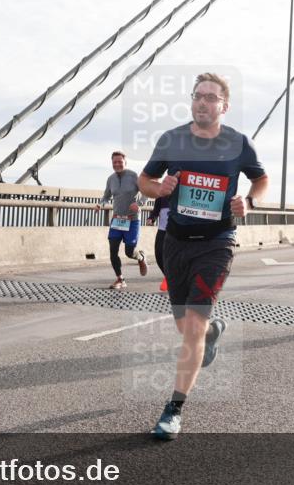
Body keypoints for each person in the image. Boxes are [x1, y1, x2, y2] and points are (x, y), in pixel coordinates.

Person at [138, 72, 268, 440]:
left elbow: (261, 179)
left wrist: (251, 200)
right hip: (174, 242)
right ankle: (213, 332)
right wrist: (156, 187)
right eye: (198, 96)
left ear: (224, 106)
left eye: (211, 97)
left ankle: (173, 410)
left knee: (191, 327)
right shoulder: (172, 139)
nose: (203, 102)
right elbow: (144, 181)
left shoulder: (239, 144)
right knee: (186, 326)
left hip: (217, 242)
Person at [100, 151, 147, 289]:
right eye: (114, 162)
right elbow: (106, 196)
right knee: (113, 250)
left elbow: (145, 192)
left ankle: (141, 257)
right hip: (117, 220)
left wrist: (139, 204)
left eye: (120, 161)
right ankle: (120, 279)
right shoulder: (111, 179)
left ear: (125, 162)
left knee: (129, 251)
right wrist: (100, 204)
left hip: (132, 220)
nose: (117, 164)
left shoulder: (133, 176)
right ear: (112, 163)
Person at [148, 195, 170, 292]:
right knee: (159, 254)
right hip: (162, 229)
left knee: (175, 257)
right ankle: (170, 278)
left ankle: (172, 280)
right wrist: (152, 218)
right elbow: (156, 208)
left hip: (178, 230)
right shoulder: (163, 189)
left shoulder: (185, 187)